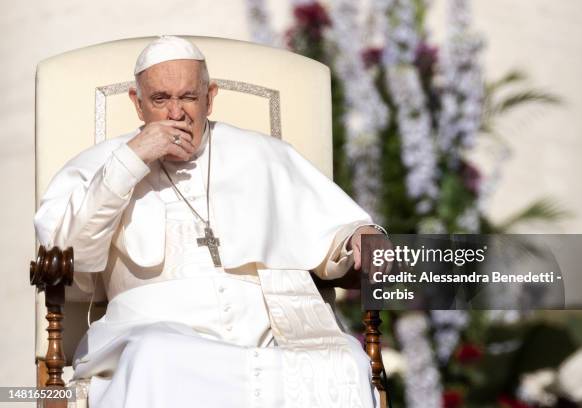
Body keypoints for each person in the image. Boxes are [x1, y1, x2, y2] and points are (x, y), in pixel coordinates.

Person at [34, 35, 385, 408]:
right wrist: (132, 160)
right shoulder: (100, 164)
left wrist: (360, 236)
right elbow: (65, 250)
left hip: (267, 336)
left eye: (188, 97)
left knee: (343, 360)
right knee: (156, 357)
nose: (175, 113)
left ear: (210, 97)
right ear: (137, 104)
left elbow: (334, 228)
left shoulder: (263, 155)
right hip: (151, 332)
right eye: (160, 99)